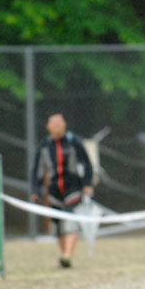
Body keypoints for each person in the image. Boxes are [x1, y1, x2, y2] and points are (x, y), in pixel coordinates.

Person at [31, 113, 94, 267]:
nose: (57, 126)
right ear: (48, 126)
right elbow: (37, 170)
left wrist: (87, 184)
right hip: (53, 191)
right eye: (53, 123)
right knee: (57, 225)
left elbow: (87, 163)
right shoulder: (45, 146)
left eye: (59, 123)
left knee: (70, 221)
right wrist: (35, 190)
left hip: (73, 187)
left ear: (64, 124)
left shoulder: (74, 142)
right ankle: (65, 255)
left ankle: (67, 254)